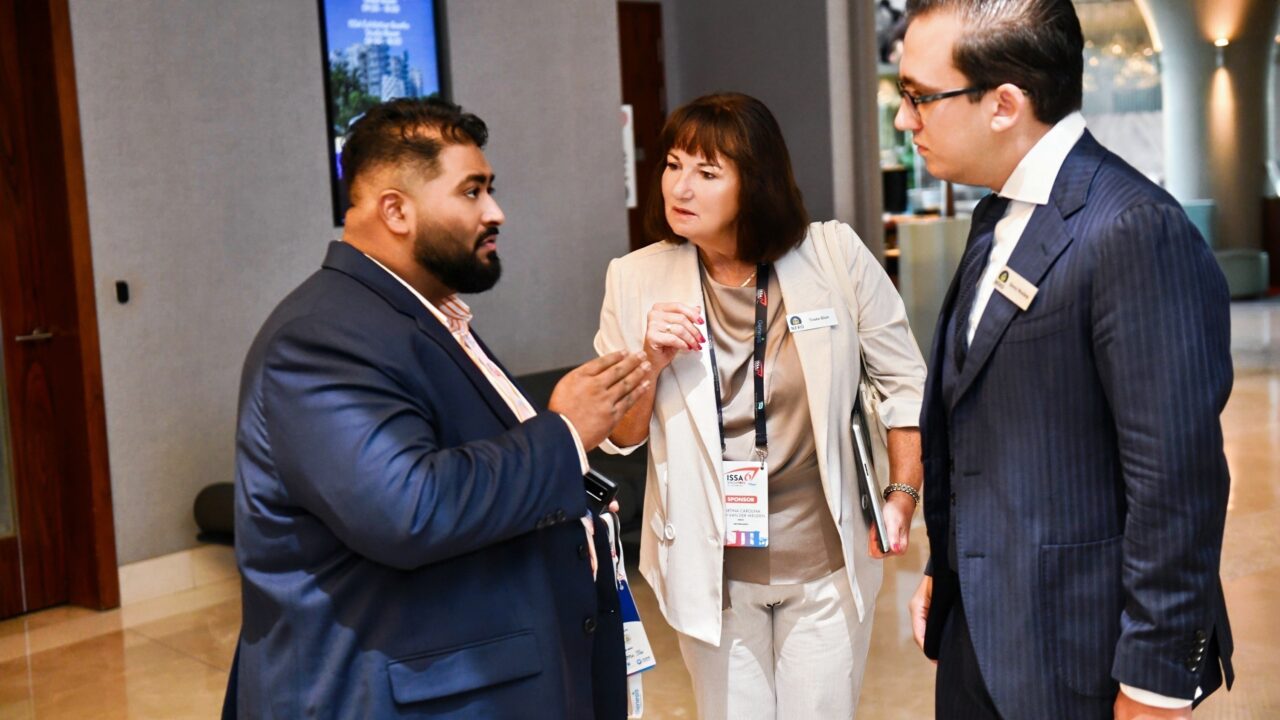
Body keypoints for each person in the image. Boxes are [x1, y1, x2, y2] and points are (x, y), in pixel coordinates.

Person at [227, 97, 649, 718]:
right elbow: (410, 510)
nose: (495, 211)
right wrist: (563, 435)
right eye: (472, 191)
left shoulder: (424, 316)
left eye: (490, 189)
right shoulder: (320, 337)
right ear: (395, 210)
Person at [895, 1, 1235, 718]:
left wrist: (1155, 681)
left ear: (1004, 105)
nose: (905, 119)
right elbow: (982, 425)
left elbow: (1177, 482)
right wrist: (948, 568)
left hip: (1078, 653)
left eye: (919, 97)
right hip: (980, 627)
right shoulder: (998, 214)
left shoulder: (1132, 228)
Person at [594, 92, 927, 719]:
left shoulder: (833, 255)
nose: (680, 187)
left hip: (826, 566)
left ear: (756, 183)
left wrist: (902, 493)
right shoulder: (634, 278)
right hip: (710, 570)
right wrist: (649, 363)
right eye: (673, 165)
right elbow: (622, 436)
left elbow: (905, 384)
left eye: (707, 172)